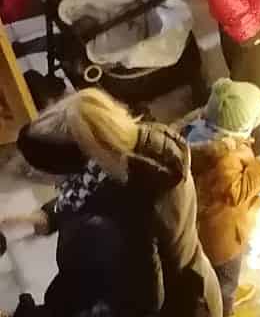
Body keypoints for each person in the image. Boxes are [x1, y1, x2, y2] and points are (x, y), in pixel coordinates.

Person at [9, 88, 223, 317]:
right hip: (196, 288)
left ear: (68, 171)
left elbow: (126, 306)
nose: (35, 177)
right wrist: (51, 215)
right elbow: (99, 192)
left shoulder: (115, 229)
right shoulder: (139, 151)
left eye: (40, 173)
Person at [182, 77, 260, 305]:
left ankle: (213, 294)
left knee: (207, 272)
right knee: (225, 280)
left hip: (202, 227)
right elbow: (235, 192)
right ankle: (222, 302)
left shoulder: (198, 132)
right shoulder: (224, 158)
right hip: (221, 241)